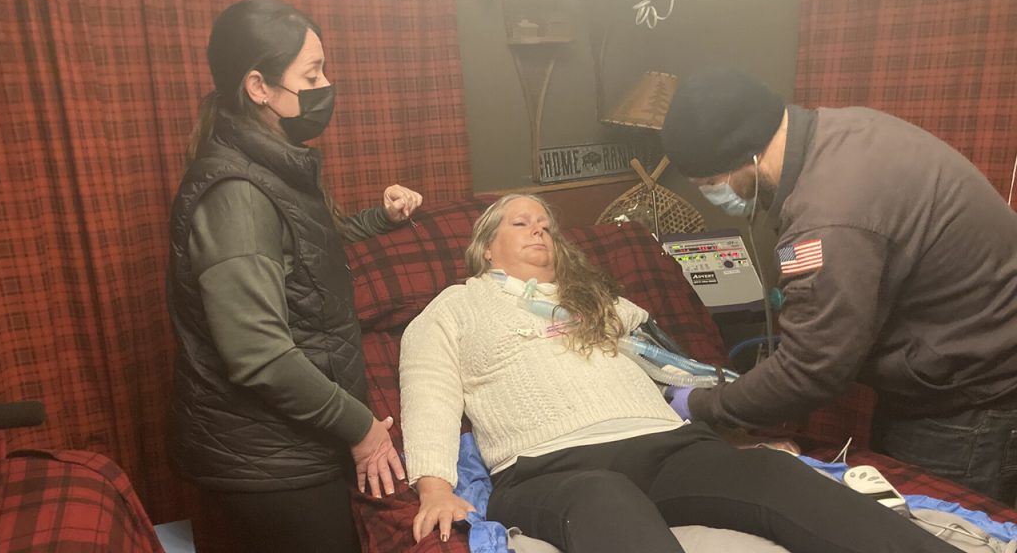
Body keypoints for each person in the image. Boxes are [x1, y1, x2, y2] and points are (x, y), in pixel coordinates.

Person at [399, 194, 960, 553]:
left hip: (666, 444)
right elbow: (429, 392)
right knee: (604, 495)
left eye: (547, 224)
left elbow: (674, 369)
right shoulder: (454, 307)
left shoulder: (598, 301)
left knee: (772, 473)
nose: (540, 231)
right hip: (550, 464)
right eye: (521, 222)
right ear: (484, 249)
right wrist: (435, 487)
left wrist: (740, 431)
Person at [659, 67, 1017, 505]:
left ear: (747, 157)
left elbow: (812, 371)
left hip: (970, 401)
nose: (712, 196)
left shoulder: (829, 214)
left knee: (934, 530)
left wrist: (701, 406)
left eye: (709, 185)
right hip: (946, 367)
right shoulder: (842, 130)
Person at [167, 0, 420, 552]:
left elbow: (303, 250)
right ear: (258, 87)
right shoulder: (235, 192)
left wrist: (381, 219)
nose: (326, 85)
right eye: (312, 74)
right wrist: (360, 427)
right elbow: (257, 353)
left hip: (294, 445)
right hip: (265, 459)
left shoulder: (270, 163)